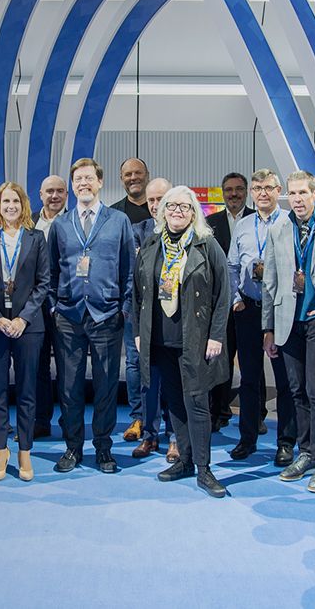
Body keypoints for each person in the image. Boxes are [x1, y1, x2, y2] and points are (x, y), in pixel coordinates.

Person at [134, 185, 230, 498]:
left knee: (197, 404)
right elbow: (137, 293)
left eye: (184, 207)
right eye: (171, 206)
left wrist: (216, 335)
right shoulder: (151, 244)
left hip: (196, 339)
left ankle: (204, 468)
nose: (177, 211)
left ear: (193, 213)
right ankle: (185, 461)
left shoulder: (207, 244)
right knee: (174, 403)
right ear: (162, 211)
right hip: (161, 340)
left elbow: (223, 294)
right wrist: (138, 332)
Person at [49, 157, 135, 474]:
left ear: (100, 182)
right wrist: (54, 306)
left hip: (107, 315)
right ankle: (73, 449)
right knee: (69, 388)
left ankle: (103, 449)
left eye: (89, 178)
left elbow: (129, 269)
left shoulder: (118, 221)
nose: (83, 183)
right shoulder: (60, 224)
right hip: (69, 316)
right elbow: (52, 269)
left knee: (106, 387)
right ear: (73, 187)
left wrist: (123, 308)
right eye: (78, 180)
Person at [263, 171, 315, 492]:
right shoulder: (278, 228)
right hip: (286, 319)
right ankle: (305, 451)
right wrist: (267, 327)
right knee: (296, 391)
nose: (296, 200)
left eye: (302, 193)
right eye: (292, 195)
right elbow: (269, 281)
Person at [0, 182, 50, 481]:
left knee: (28, 390)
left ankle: (25, 452)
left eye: (15, 201)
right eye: (5, 201)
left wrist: (23, 319)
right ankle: (1, 450)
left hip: (28, 327)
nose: (10, 206)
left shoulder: (36, 237)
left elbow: (44, 283)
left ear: (24, 205)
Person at [227, 169, 295, 464]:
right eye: (257, 188)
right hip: (249, 309)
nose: (263, 193)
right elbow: (231, 266)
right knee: (249, 378)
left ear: (278, 190)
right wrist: (234, 299)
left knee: (284, 380)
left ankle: (286, 442)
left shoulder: (291, 223)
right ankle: (247, 438)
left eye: (268, 187)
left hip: (280, 312)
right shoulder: (243, 225)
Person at [130, 177, 177, 462]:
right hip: (147, 321)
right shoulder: (139, 233)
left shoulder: (186, 234)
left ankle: (175, 437)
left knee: (173, 383)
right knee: (149, 382)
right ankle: (149, 436)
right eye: (151, 200)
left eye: (162, 199)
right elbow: (133, 282)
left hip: (176, 322)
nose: (156, 205)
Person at [206, 172, 255, 432]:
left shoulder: (256, 220)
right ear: (222, 193)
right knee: (220, 360)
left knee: (251, 362)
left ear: (246, 192)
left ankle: (255, 414)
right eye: (228, 190)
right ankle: (219, 411)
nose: (233, 194)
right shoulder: (209, 223)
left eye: (238, 189)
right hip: (220, 304)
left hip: (249, 303)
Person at [114, 157, 153, 441]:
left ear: (146, 175)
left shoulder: (165, 212)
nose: (133, 177)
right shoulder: (115, 214)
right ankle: (138, 418)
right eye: (128, 174)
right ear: (121, 178)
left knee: (163, 361)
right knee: (134, 361)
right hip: (131, 301)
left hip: (165, 301)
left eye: (138, 173)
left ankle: (165, 420)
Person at [31, 174, 67, 438]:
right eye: (49, 191)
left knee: (68, 367)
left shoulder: (75, 222)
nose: (54, 196)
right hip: (35, 306)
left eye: (60, 191)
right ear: (40, 194)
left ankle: (70, 419)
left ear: (67, 195)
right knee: (38, 365)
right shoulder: (28, 222)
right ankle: (40, 419)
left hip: (66, 305)